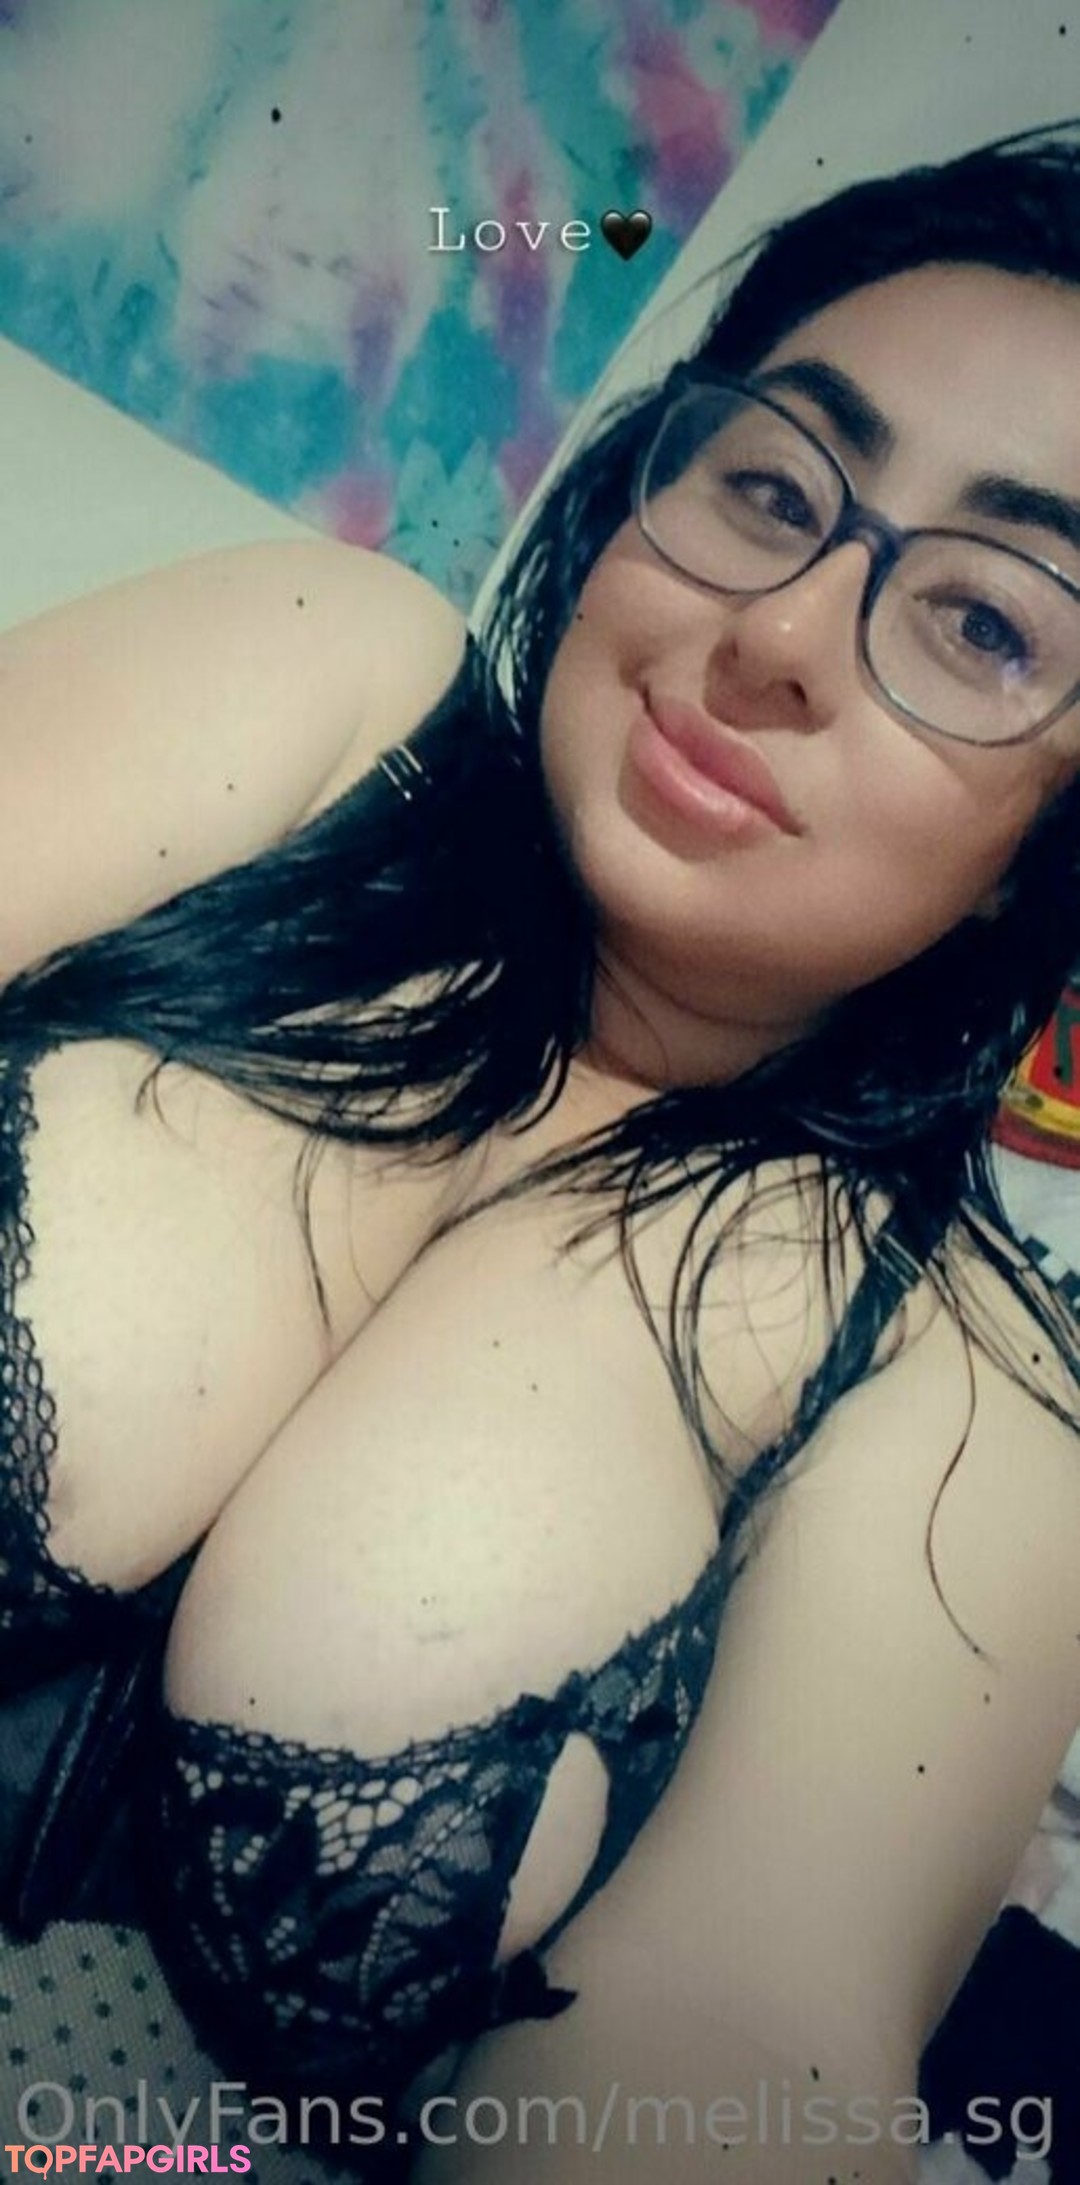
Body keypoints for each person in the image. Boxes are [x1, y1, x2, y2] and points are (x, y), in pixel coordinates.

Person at [1, 120, 1080, 2185]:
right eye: (774, 485)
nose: (783, 635)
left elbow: (745, 2051)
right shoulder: (324, 686)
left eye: (986, 625)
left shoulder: (970, 1392)